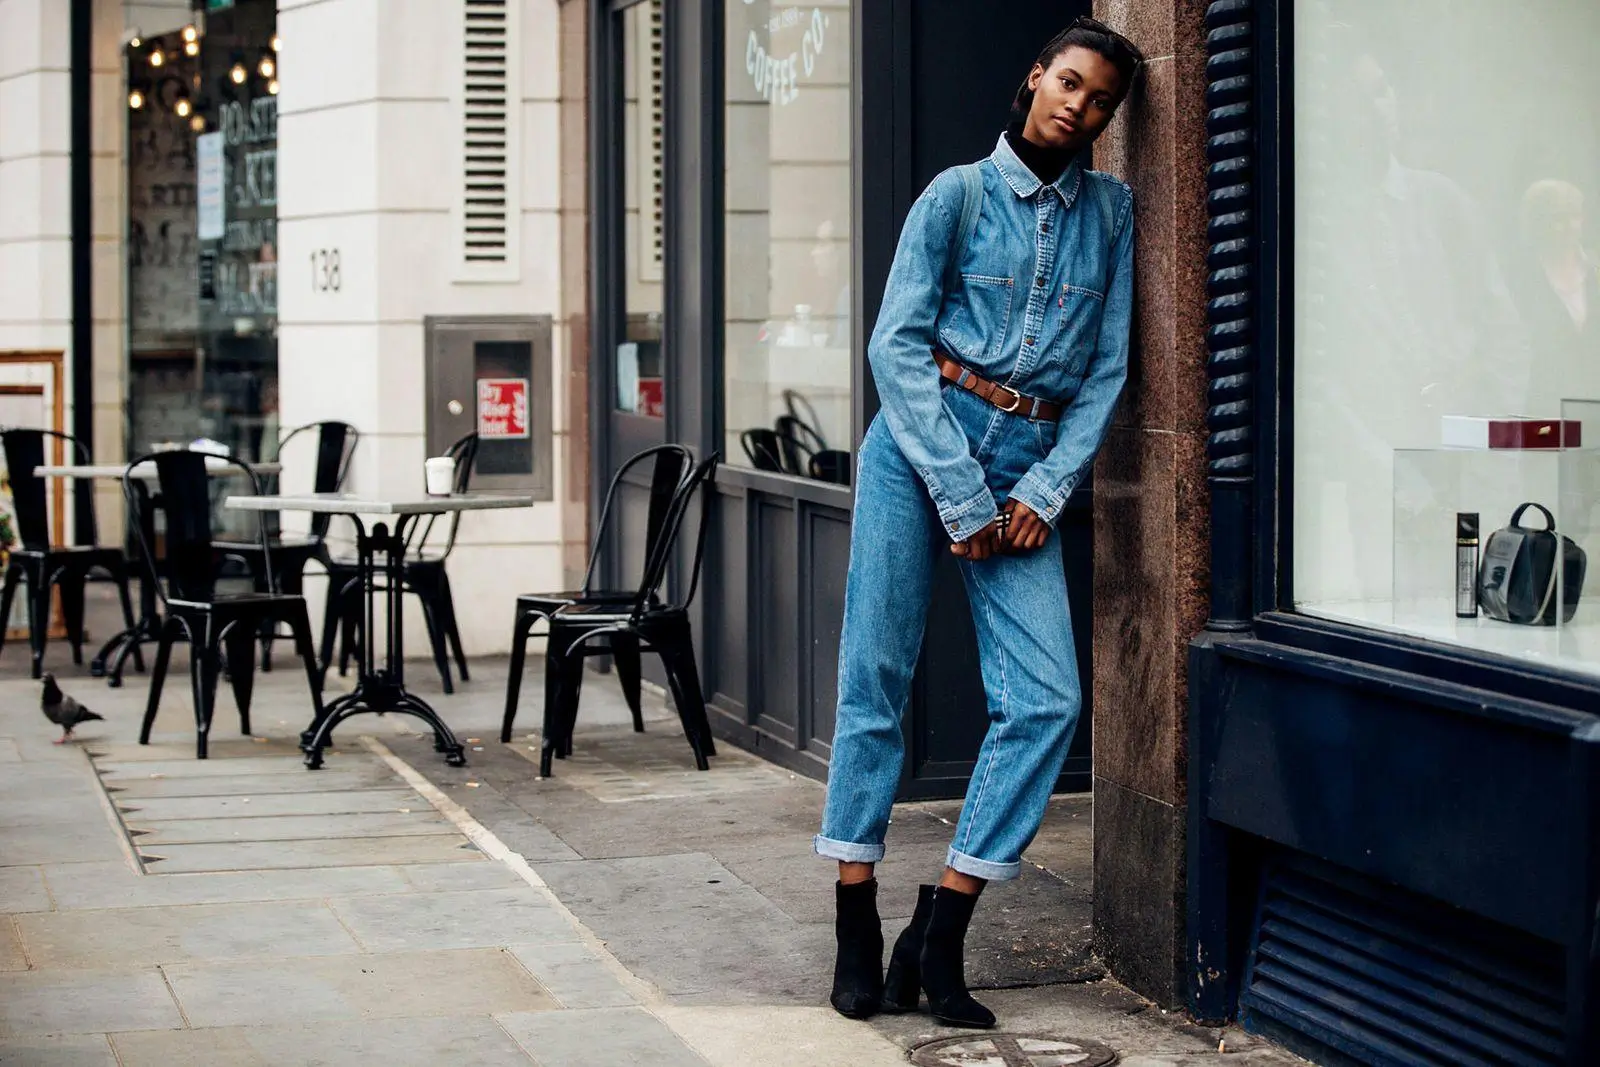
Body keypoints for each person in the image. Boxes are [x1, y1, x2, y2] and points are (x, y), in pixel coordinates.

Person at [813, 17, 1143, 1030]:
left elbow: (1106, 370)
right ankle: (856, 913)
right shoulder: (955, 195)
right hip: (920, 447)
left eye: (1099, 101)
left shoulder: (1116, 215)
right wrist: (959, 491)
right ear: (1034, 77)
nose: (1078, 108)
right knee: (876, 675)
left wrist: (1041, 493)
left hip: (1026, 469)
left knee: (1044, 698)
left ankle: (940, 928)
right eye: (1069, 84)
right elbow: (895, 345)